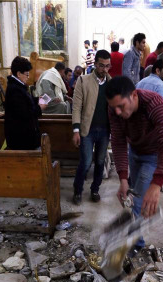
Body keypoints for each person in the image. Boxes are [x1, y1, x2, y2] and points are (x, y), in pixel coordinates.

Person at [106, 76, 163, 251]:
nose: (118, 113)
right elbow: (118, 141)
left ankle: (135, 247)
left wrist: (157, 183)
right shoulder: (114, 109)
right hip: (134, 151)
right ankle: (136, 242)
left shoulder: (154, 103)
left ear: (134, 95)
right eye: (114, 108)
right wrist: (123, 178)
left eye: (121, 106)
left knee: (138, 204)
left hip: (152, 155)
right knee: (133, 198)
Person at [72, 49, 112, 205]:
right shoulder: (83, 81)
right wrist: (76, 130)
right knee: (86, 162)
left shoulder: (111, 83)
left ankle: (95, 189)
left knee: (100, 162)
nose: (104, 69)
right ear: (95, 64)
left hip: (104, 130)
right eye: (101, 66)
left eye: (107, 66)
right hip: (87, 130)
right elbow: (76, 107)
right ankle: (78, 190)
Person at [4, 56, 46, 150]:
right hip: (21, 138)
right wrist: (40, 108)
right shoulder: (14, 89)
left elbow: (26, 101)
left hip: (25, 136)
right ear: (19, 74)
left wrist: (37, 99)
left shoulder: (18, 86)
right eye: (27, 74)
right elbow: (25, 113)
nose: (28, 77)